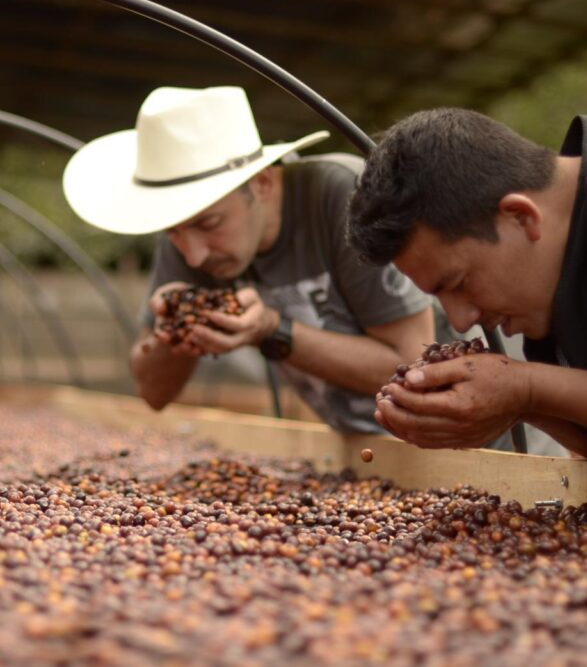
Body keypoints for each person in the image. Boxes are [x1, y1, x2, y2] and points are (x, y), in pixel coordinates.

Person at [62, 86, 439, 433]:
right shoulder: (185, 234)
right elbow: (152, 393)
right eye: (174, 232)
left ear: (262, 183)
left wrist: (272, 330)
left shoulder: (345, 197)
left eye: (209, 223)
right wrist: (173, 330)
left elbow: (412, 368)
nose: (194, 254)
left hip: (464, 444)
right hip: (363, 449)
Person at [347, 107, 587, 460]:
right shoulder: (544, 283)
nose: (461, 321)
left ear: (520, 217)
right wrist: (518, 405)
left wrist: (528, 388)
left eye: (459, 283)